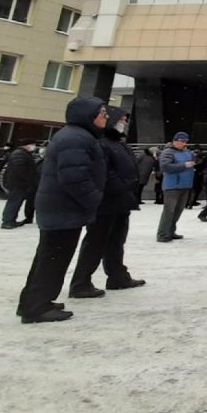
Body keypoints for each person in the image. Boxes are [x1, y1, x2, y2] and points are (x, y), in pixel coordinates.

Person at [15, 97, 108, 323]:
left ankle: (32, 301)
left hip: (60, 207)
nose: (106, 117)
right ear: (87, 115)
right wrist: (94, 199)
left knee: (48, 257)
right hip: (64, 208)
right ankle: (37, 307)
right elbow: (74, 177)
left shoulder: (75, 135)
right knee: (54, 259)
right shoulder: (76, 138)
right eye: (102, 112)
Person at [69, 107, 144, 296]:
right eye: (122, 119)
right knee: (96, 242)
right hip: (106, 201)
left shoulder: (118, 142)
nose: (124, 123)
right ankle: (81, 282)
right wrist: (121, 187)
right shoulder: (101, 142)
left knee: (116, 240)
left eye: (126, 120)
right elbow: (104, 172)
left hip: (121, 201)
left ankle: (117, 275)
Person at [157, 132, 196, 242]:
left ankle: (170, 231)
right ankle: (162, 234)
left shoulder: (188, 152)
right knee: (169, 211)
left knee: (178, 210)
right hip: (172, 185)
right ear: (175, 141)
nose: (184, 144)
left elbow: (195, 161)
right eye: (182, 141)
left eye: (186, 142)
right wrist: (184, 165)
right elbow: (165, 166)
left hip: (185, 185)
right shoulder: (167, 152)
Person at [0, 139, 40, 229]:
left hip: (18, 182)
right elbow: (19, 170)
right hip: (17, 183)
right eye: (32, 144)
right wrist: (27, 179)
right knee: (14, 202)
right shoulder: (19, 154)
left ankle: (11, 219)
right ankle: (8, 221)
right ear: (27, 145)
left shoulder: (22, 153)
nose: (33, 147)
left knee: (16, 202)